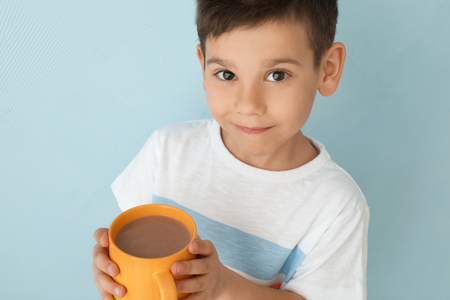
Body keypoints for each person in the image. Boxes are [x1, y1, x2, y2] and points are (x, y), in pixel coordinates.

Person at [92, 0, 370, 299]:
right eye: (227, 74)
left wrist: (224, 286)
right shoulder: (167, 151)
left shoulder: (336, 205)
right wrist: (112, 272)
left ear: (327, 70)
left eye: (277, 74)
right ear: (203, 66)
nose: (249, 105)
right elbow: (131, 258)